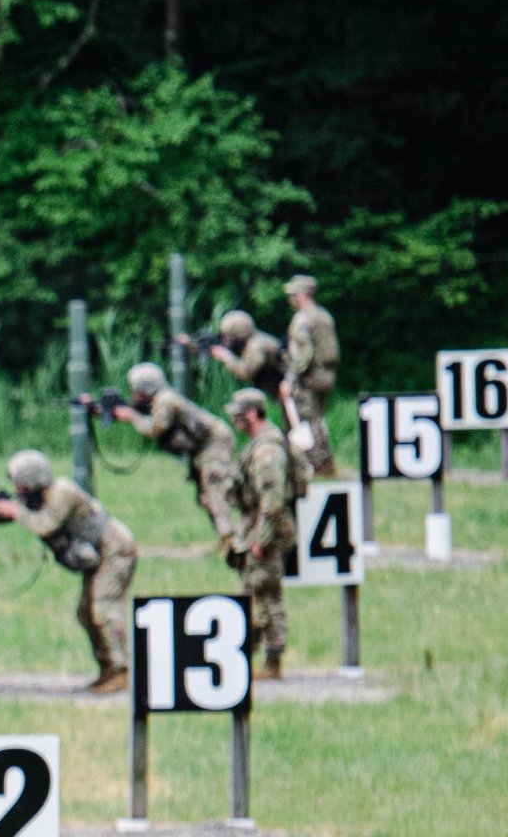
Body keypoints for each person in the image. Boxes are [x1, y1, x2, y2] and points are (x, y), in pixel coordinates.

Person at [0, 449, 137, 692]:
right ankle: (108, 668)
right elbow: (12, 515)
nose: (17, 490)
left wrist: (14, 509)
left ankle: (123, 671)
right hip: (96, 555)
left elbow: (44, 525)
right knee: (86, 613)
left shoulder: (62, 493)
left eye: (20, 485)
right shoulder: (35, 498)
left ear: (33, 480)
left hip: (115, 551)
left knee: (104, 608)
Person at [115, 360, 244, 549]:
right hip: (202, 447)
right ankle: (225, 538)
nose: (133, 393)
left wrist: (132, 416)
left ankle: (231, 540)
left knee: (214, 492)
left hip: (214, 444)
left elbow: (155, 429)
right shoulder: (162, 399)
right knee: (205, 497)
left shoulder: (165, 401)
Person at [229, 388, 297, 678]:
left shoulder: (267, 451)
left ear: (252, 414)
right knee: (252, 592)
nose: (235, 420)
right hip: (257, 529)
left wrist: (261, 538)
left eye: (239, 415)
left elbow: (273, 498)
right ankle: (252, 657)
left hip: (264, 533)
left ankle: (273, 661)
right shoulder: (262, 443)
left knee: (267, 596)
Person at [280, 275, 341, 479]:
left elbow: (303, 354)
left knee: (308, 420)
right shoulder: (324, 316)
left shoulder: (302, 319)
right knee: (318, 420)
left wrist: (290, 380)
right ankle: (325, 463)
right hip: (327, 375)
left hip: (310, 377)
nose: (290, 298)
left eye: (293, 294)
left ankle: (318, 465)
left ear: (302, 295)